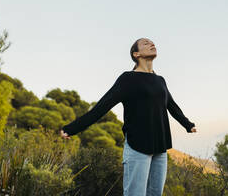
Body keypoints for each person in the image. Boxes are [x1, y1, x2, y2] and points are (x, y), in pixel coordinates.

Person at [60, 37, 197, 196]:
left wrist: (187, 124)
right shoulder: (127, 79)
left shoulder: (160, 80)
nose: (151, 44)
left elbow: (171, 106)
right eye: (146, 43)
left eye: (152, 42)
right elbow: (102, 106)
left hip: (160, 147)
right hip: (137, 147)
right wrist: (72, 128)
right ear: (136, 54)